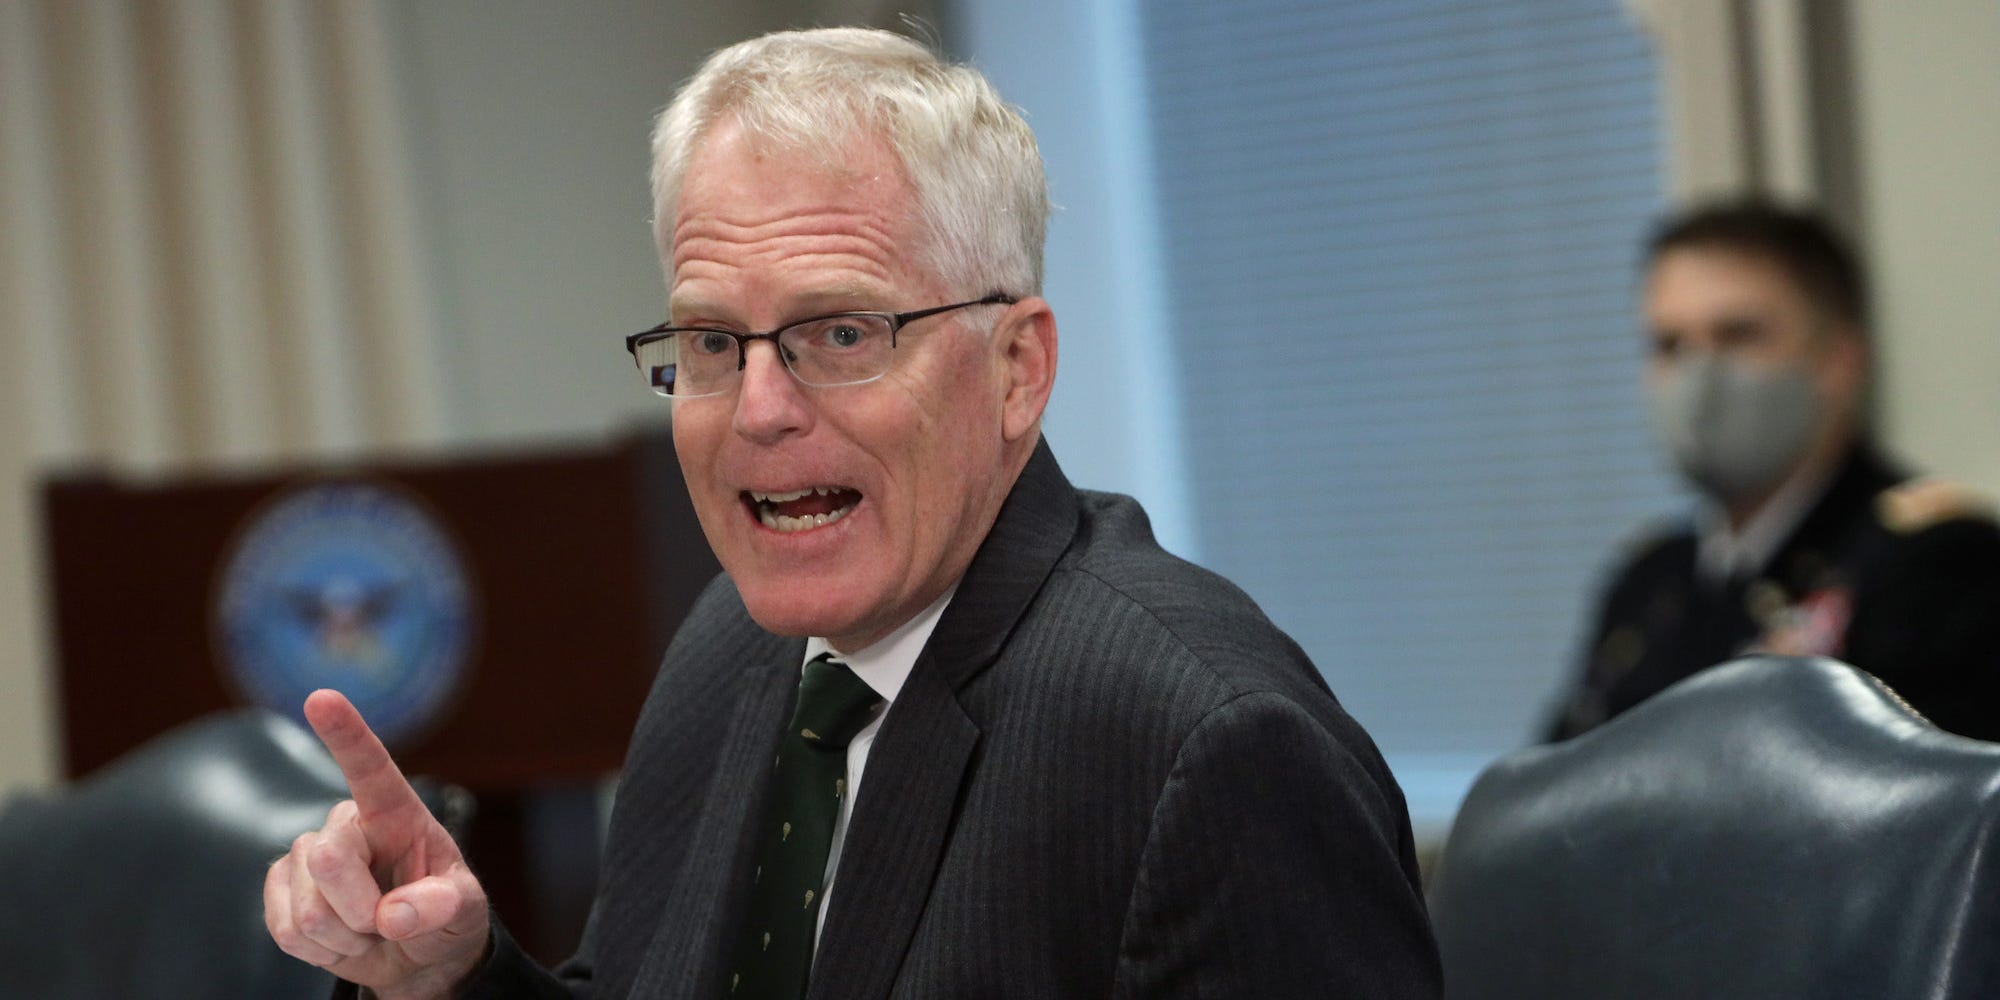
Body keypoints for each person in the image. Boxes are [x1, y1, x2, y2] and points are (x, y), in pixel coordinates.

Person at [264, 27, 1441, 999]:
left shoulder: (1207, 746)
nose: (759, 410)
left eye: (840, 333)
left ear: (1016, 369)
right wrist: (452, 973)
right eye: (713, 342)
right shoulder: (730, 648)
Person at [1548, 200, 2000, 742]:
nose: (1699, 379)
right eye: (1670, 346)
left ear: (1839, 361)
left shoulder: (1939, 564)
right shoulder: (1647, 581)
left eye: (1737, 336)